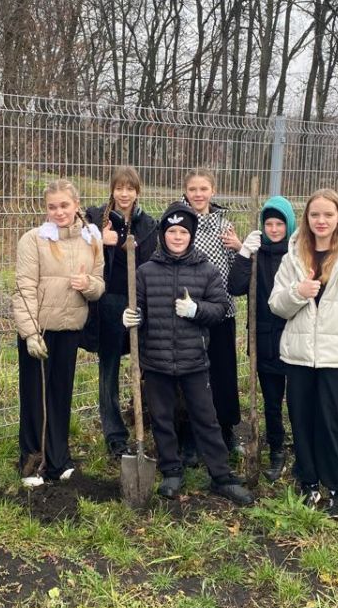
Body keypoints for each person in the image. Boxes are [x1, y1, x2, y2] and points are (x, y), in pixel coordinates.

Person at [123, 202, 254, 507]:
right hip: (156, 359)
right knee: (163, 417)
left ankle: (221, 476)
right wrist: (131, 317)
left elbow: (220, 309)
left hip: (195, 359)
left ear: (191, 235)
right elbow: (138, 308)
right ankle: (171, 470)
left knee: (206, 418)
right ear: (163, 235)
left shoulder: (205, 270)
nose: (177, 237)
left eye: (183, 232)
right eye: (172, 231)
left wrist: (197, 310)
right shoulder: (146, 272)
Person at [269, 189, 338, 518]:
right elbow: (277, 305)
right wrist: (298, 292)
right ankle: (308, 483)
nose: (321, 221)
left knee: (333, 423)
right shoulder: (293, 256)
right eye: (315, 215)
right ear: (306, 218)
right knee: (302, 420)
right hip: (300, 355)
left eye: (328, 215)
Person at [13, 179, 105, 486]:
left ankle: (58, 458)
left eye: (64, 205)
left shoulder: (92, 239)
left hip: (69, 329)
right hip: (39, 330)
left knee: (60, 395)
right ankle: (32, 461)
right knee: (34, 395)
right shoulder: (33, 239)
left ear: (77, 205)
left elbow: (99, 284)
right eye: (52, 206)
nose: (58, 212)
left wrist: (88, 286)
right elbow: (24, 288)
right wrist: (29, 333)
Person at [83, 167, 158, 458]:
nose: (124, 194)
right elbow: (80, 252)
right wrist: (100, 242)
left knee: (145, 364)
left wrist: (133, 250)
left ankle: (147, 418)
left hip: (138, 303)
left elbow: (151, 265)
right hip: (108, 303)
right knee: (109, 368)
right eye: (119, 188)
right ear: (112, 190)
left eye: (130, 189)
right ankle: (115, 436)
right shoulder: (95, 218)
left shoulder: (148, 225)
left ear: (138, 192)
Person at [227, 195, 295, 481]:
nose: (274, 229)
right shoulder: (256, 254)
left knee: (299, 400)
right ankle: (276, 450)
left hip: (296, 337)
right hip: (265, 339)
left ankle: (302, 449)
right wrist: (245, 255)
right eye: (269, 223)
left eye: (280, 223)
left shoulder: (297, 254)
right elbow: (236, 286)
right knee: (271, 401)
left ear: (289, 225)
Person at [182, 169, 243, 458]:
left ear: (212, 191)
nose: (198, 194)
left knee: (223, 372)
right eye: (193, 189)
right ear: (185, 191)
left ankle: (226, 428)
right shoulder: (179, 222)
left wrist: (239, 248)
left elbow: (235, 266)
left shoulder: (224, 224)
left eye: (203, 188)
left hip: (222, 311)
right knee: (193, 374)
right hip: (189, 312)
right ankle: (192, 435)